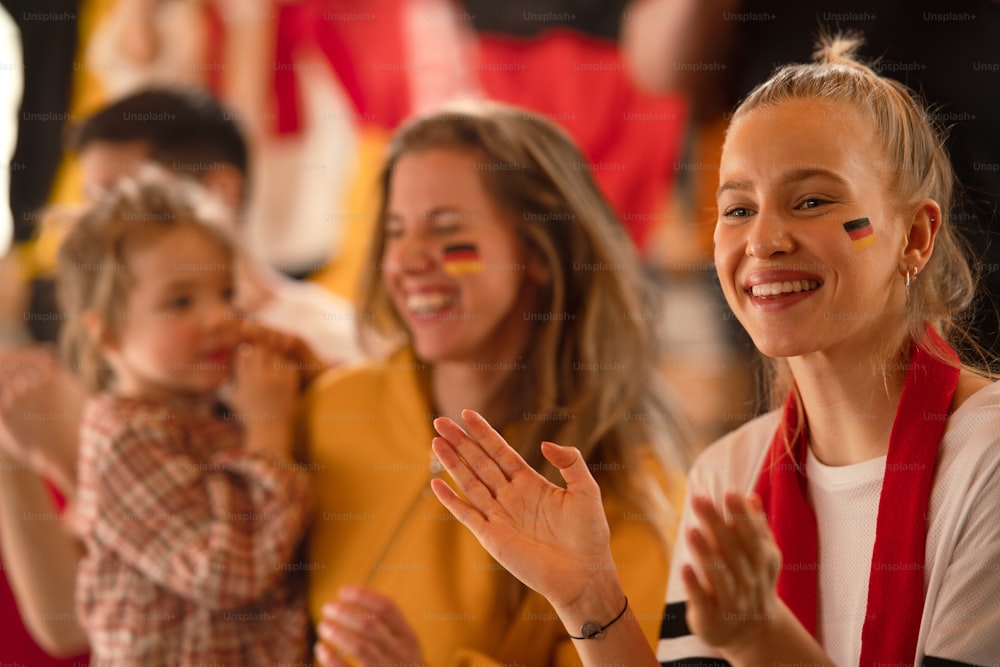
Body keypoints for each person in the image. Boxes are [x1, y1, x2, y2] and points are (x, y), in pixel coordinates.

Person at [431, 36, 1000, 666]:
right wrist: (587, 594)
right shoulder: (726, 476)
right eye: (737, 208)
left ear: (914, 236)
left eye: (812, 200)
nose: (763, 240)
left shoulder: (988, 453)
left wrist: (762, 639)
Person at [306, 101, 689, 665]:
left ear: (536, 252)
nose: (407, 259)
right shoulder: (332, 407)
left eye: (447, 232)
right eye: (394, 231)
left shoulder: (627, 497)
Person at [0, 169, 314, 664]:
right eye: (180, 301)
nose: (218, 317)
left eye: (226, 293)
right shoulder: (125, 435)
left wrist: (304, 378)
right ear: (108, 334)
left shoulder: (219, 408)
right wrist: (270, 427)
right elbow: (231, 573)